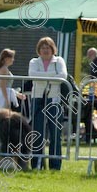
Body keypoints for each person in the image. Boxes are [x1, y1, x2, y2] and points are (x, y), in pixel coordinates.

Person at [28, 37, 67, 170]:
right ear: (39, 49)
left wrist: (43, 76)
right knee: (37, 133)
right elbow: (32, 75)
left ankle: (55, 166)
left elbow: (63, 76)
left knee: (55, 134)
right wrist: (52, 75)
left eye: (48, 47)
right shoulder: (34, 61)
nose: (45, 50)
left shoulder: (59, 60)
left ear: (53, 49)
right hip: (37, 99)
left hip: (54, 100)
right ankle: (37, 164)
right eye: (43, 47)